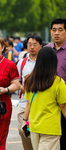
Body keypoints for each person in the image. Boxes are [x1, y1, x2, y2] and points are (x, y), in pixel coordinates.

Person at [22, 47, 66, 150]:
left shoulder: (30, 79)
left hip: (34, 126)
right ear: (54, 62)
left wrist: (24, 120)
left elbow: (28, 102)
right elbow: (63, 105)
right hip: (50, 128)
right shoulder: (58, 82)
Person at [17, 34, 43, 150]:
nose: (32, 47)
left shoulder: (43, 63)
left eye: (35, 44)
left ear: (40, 46)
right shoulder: (21, 63)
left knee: (39, 134)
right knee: (24, 132)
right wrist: (24, 88)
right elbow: (16, 81)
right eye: (29, 44)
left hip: (40, 104)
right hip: (24, 103)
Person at [45, 18, 66, 150]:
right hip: (48, 102)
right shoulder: (46, 50)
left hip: (64, 100)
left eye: (60, 30)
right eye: (54, 30)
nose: (56, 33)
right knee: (48, 138)